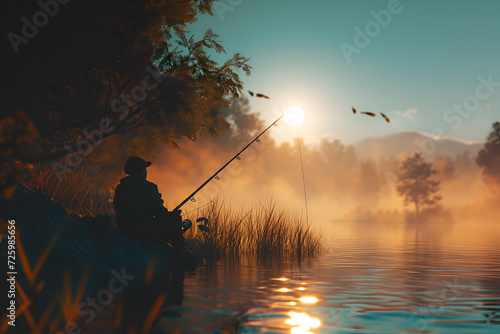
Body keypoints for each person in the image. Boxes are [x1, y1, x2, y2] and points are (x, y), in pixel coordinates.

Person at [113, 156, 184, 252]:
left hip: (125, 232)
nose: (146, 172)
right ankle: (180, 254)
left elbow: (118, 208)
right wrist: (171, 215)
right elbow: (160, 213)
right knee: (175, 219)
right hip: (143, 233)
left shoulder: (120, 187)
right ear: (139, 171)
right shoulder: (149, 187)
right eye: (145, 170)